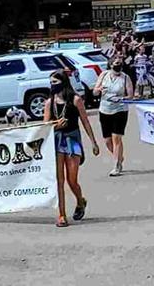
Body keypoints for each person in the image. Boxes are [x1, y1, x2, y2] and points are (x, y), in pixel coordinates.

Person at [44, 70, 100, 228]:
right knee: (59, 180)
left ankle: (80, 201)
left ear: (63, 82)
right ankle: (61, 215)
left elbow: (85, 121)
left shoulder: (75, 100)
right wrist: (55, 126)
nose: (52, 85)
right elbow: (45, 125)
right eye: (50, 83)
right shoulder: (50, 102)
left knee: (72, 180)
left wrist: (93, 142)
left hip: (73, 140)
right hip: (56, 141)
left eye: (55, 82)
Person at [94, 58, 133, 176]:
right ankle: (119, 157)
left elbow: (130, 95)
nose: (118, 66)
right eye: (116, 64)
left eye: (120, 64)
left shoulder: (125, 78)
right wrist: (98, 90)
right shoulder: (103, 75)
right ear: (110, 65)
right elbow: (95, 92)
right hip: (105, 110)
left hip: (120, 110)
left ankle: (116, 165)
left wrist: (122, 98)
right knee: (107, 141)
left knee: (117, 138)